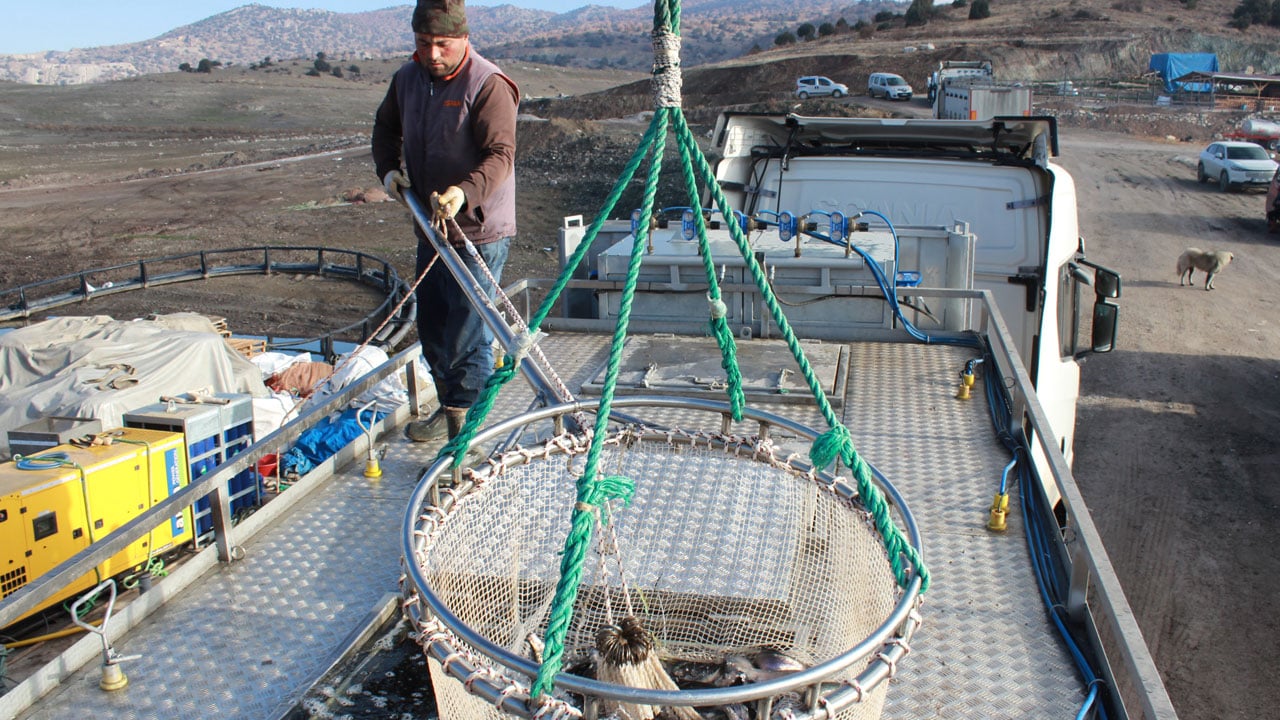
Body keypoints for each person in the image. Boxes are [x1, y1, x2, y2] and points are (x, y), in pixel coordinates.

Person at [372, 0, 519, 442]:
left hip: (478, 230)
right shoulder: (408, 80)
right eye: (423, 43)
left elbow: (501, 156)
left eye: (442, 44)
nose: (432, 54)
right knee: (433, 327)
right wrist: (388, 169)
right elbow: (385, 128)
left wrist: (463, 192)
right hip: (432, 228)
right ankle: (450, 408)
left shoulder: (488, 84)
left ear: (464, 40)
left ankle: (467, 438)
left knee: (467, 336)